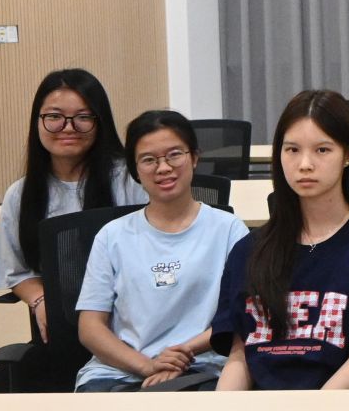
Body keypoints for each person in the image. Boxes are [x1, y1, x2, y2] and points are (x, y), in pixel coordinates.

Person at [213, 90, 349, 391]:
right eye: (292, 150)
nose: (305, 164)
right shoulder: (249, 250)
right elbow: (240, 356)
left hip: (339, 408)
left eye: (322, 150)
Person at [74, 112, 247, 392]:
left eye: (174, 155)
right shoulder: (111, 236)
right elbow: (90, 327)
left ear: (194, 157)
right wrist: (147, 366)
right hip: (119, 371)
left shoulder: (229, 229)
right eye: (149, 160)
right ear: (135, 170)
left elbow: (240, 316)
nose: (163, 168)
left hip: (201, 367)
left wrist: (181, 354)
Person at [0, 69, 143, 343]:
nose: (68, 127)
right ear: (37, 121)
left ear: (100, 122)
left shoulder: (130, 181)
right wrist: (40, 301)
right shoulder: (20, 194)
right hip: (61, 326)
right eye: (54, 116)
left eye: (83, 117)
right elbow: (16, 273)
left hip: (132, 323)